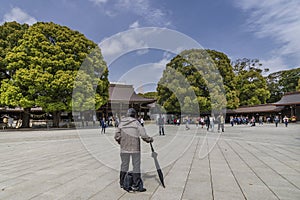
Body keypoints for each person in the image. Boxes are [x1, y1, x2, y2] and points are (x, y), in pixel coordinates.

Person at [114, 108, 153, 192]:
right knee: (136, 166)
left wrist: (121, 142)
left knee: (124, 165)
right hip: (135, 148)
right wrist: (149, 139)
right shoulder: (137, 123)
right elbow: (143, 135)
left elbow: (116, 136)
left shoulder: (121, 123)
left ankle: (122, 182)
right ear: (134, 115)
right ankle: (136, 184)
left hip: (124, 148)